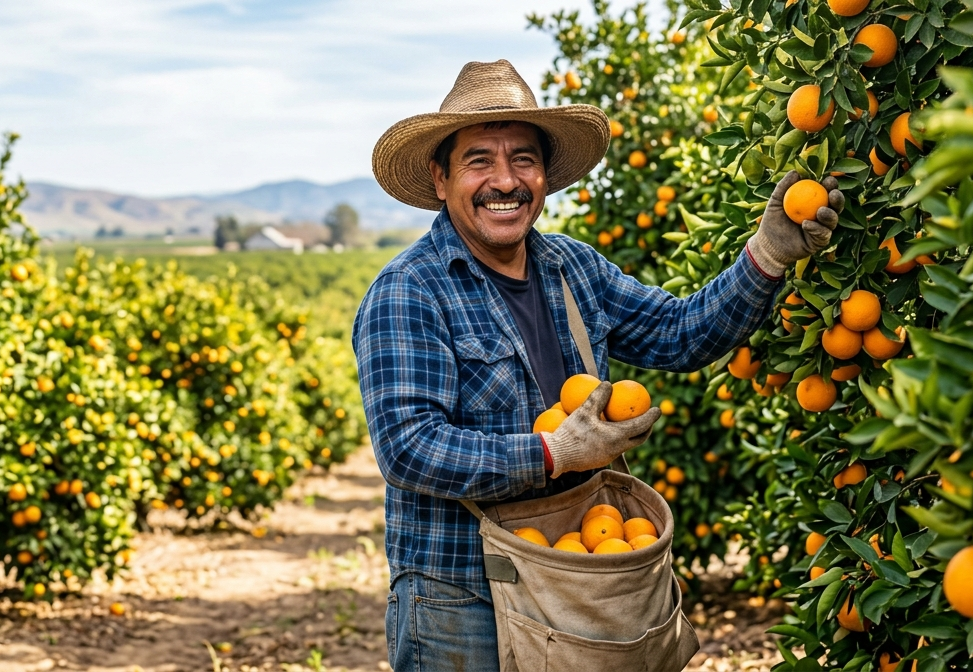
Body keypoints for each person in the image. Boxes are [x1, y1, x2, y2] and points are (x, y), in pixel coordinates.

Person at [353, 59, 841, 670]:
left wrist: (766, 256)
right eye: (479, 160)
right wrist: (554, 453)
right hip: (462, 597)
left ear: (544, 176)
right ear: (441, 175)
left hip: (582, 572)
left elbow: (679, 334)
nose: (504, 180)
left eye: (523, 159)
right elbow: (408, 447)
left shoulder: (574, 269)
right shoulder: (410, 290)